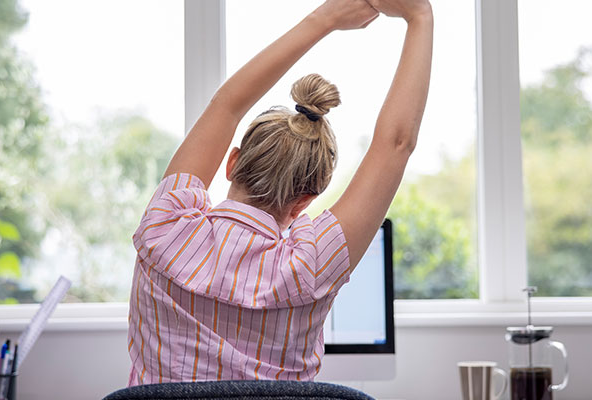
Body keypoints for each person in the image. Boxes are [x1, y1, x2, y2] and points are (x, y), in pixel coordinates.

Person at [127, 0, 433, 385]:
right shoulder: (311, 264)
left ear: (232, 161)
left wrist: (327, 17)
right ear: (306, 199)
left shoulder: (165, 226)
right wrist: (419, 16)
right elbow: (396, 145)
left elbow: (226, 107)